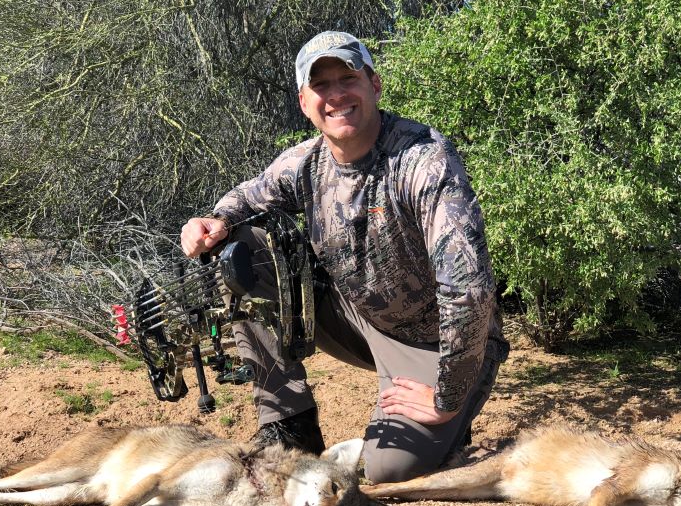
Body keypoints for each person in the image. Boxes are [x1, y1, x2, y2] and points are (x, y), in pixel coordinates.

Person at [180, 31, 508, 483]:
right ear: (304, 102)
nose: (336, 95)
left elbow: (469, 288)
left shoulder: (424, 159)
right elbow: (246, 198)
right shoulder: (305, 162)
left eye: (348, 78)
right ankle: (289, 423)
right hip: (357, 317)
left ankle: (450, 418)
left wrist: (447, 397)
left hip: (435, 341)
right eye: (321, 85)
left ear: (374, 85)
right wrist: (210, 221)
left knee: (390, 469)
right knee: (241, 247)